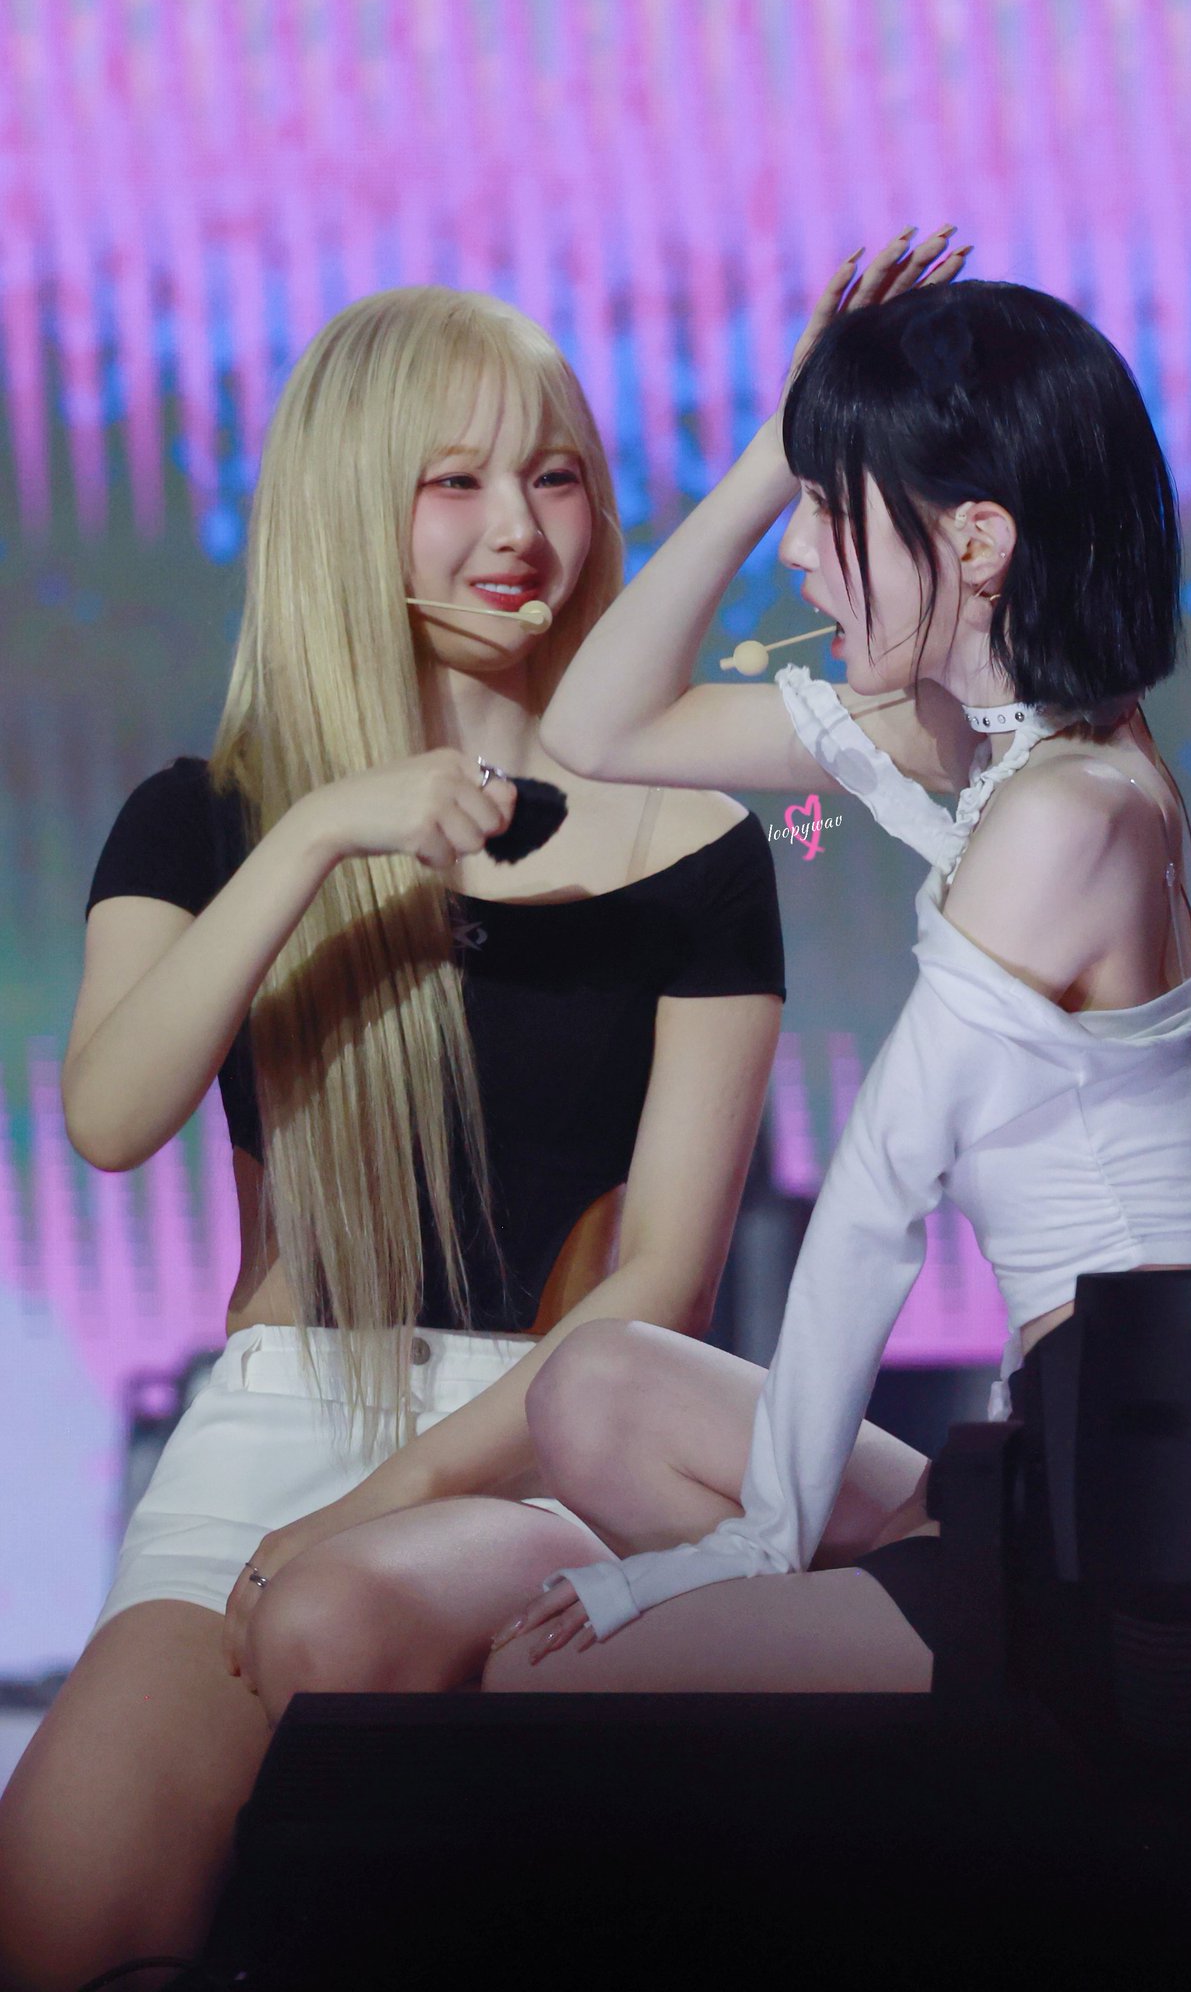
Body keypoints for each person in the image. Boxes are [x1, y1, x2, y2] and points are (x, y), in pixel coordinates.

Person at [0, 284, 805, 1992]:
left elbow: (662, 1280)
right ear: (350, 502)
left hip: (541, 1442)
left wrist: (389, 1497)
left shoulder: (695, 851)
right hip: (269, 1433)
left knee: (357, 1703)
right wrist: (318, 834)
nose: (517, 529)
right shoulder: (203, 819)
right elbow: (111, 1116)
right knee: (53, 1917)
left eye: (555, 476)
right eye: (456, 481)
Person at [480, 243, 1191, 1696]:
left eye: (830, 511)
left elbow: (873, 1202)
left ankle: (956, 1723)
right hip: (1039, 1468)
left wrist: (754, 1542)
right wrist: (774, 453)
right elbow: (597, 729)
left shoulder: (1072, 818)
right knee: (595, 1390)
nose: (794, 553)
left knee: (546, 1682)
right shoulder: (995, 752)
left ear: (976, 542)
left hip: (1124, 1550)